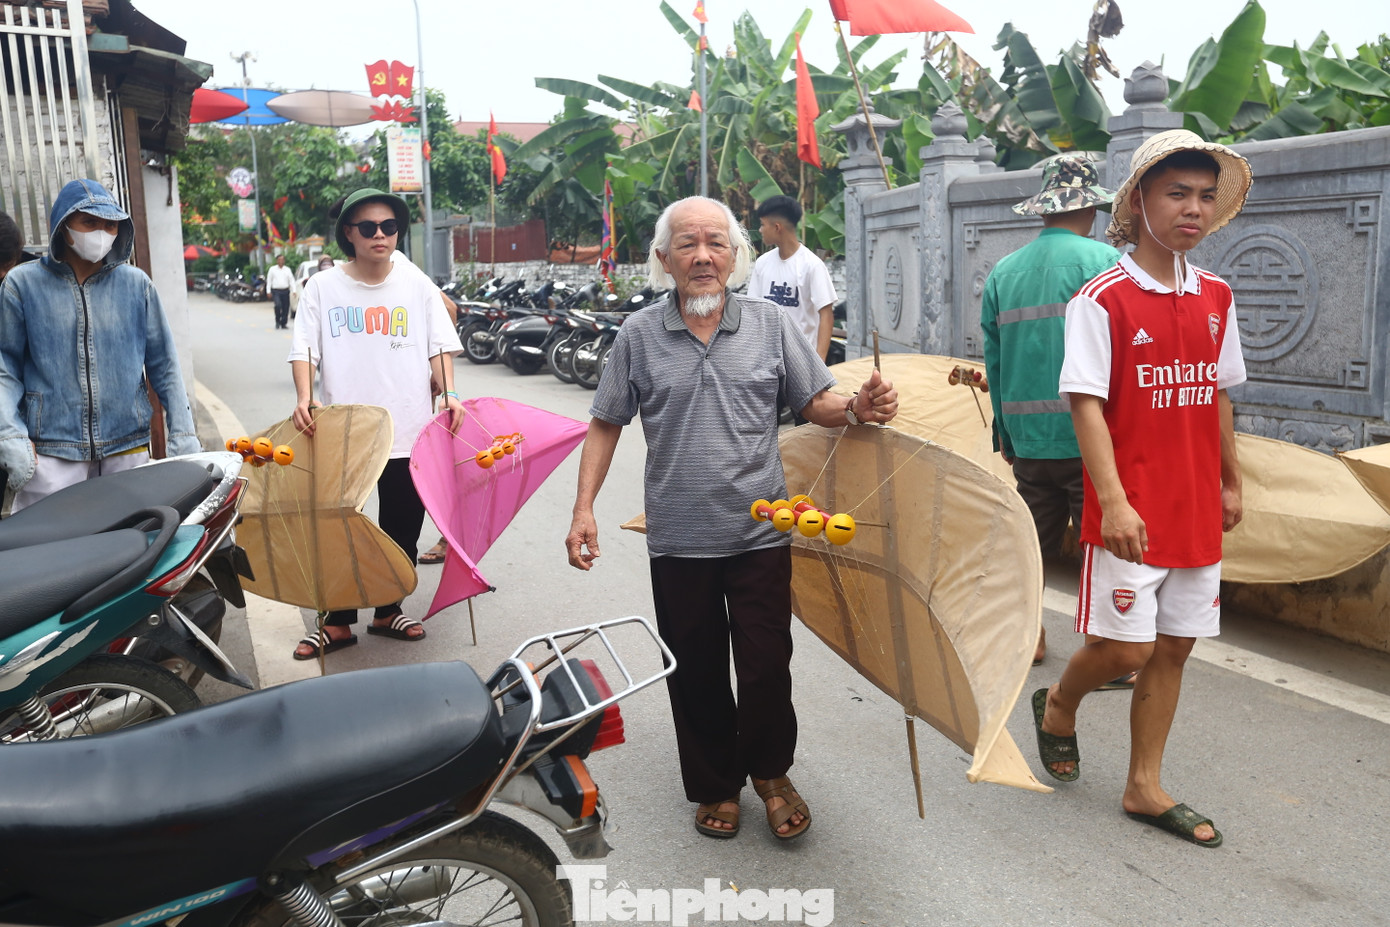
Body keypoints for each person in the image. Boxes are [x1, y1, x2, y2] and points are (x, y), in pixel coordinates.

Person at [565, 196, 898, 841]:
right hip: (679, 538)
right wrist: (584, 510)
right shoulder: (638, 336)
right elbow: (606, 423)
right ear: (664, 260)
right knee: (696, 669)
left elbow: (815, 402)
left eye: (716, 243)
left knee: (766, 661)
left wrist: (858, 405)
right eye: (686, 244)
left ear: (737, 255)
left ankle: (772, 774)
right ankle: (717, 784)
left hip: (759, 533)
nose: (702, 256)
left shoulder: (771, 326)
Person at [1034, 129, 1252, 849]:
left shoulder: (1218, 295)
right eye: (1177, 193)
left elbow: (1217, 395)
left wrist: (1230, 479)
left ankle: (1143, 784)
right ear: (1138, 202)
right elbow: (1085, 402)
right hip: (1131, 509)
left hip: (1195, 509)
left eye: (1204, 196)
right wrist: (1117, 499)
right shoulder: (1103, 299)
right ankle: (1060, 703)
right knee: (1125, 650)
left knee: (1174, 648)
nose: (1194, 208)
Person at [288, 188, 463, 660]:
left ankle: (389, 610)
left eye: (388, 226)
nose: (380, 235)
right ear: (349, 233)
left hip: (408, 430)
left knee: (402, 527)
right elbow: (304, 347)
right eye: (368, 228)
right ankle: (338, 622)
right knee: (339, 526)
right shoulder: (323, 288)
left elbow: (439, 346)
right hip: (344, 433)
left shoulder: (415, 285)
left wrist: (447, 393)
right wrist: (305, 397)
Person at [981, 155, 1120, 668]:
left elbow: (994, 362)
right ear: (1090, 209)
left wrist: (1007, 435)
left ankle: (1030, 637)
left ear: (1045, 209)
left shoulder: (1003, 272)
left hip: (1030, 439)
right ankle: (1102, 648)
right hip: (1093, 441)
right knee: (1100, 550)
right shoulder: (1107, 265)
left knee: (1031, 549)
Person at [0, 179, 200, 513]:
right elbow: (5, 368)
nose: (101, 233)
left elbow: (164, 366)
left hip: (127, 448)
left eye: (110, 225)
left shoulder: (136, 285)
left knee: (131, 547)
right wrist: (10, 433)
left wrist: (182, 434)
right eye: (89, 223)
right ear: (64, 227)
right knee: (53, 553)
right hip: (52, 452)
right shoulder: (22, 285)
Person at [745, 195, 837, 360]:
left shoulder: (812, 265)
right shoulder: (762, 263)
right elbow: (753, 312)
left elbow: (826, 314)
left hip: (801, 360)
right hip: (767, 360)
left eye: (763, 225)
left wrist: (819, 361)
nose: (760, 230)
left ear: (777, 227)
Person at [265, 253, 298, 330]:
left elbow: (291, 280)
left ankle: (283, 323)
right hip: (276, 291)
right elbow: (269, 280)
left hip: (285, 291)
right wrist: (268, 291)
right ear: (277, 261)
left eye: (282, 259)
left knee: (285, 307)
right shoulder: (272, 269)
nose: (281, 261)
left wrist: (294, 290)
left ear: (284, 261)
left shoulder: (287, 270)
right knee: (278, 305)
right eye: (279, 259)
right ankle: (277, 321)